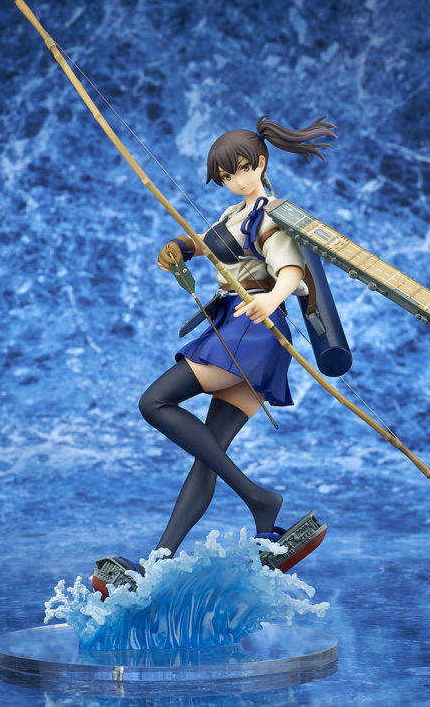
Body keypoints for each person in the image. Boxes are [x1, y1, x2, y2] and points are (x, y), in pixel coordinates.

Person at [138, 114, 336, 557]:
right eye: (227, 176)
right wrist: (180, 247)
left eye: (242, 169)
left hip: (253, 329)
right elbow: (210, 243)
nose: (236, 180)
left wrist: (272, 298)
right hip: (237, 326)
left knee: (154, 402)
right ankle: (163, 558)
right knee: (207, 457)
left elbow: (290, 269)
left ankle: (258, 497)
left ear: (261, 163)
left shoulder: (271, 216)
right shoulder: (235, 214)